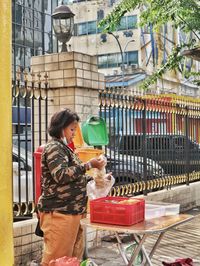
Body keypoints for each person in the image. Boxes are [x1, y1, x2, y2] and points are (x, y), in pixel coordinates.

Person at [37, 108, 109, 265]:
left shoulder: (65, 148)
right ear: (60, 127)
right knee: (57, 260)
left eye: (75, 129)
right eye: (71, 129)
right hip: (59, 212)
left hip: (73, 212)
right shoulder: (54, 148)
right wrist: (89, 164)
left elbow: (74, 177)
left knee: (71, 260)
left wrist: (96, 178)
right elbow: (61, 175)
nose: (74, 133)